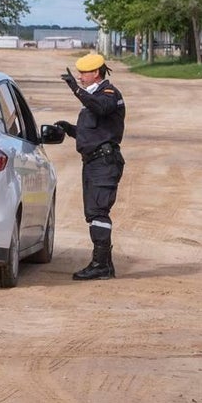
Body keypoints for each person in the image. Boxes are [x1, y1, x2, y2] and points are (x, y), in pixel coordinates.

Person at [55, 52, 126, 280]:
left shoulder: (109, 94)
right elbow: (94, 133)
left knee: (98, 212)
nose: (79, 76)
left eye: (83, 73)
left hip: (104, 162)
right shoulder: (95, 96)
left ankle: (100, 265)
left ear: (95, 72)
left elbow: (101, 108)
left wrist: (76, 90)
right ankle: (105, 265)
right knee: (94, 213)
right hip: (93, 161)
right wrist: (70, 130)